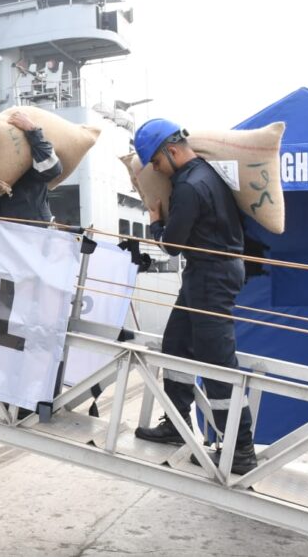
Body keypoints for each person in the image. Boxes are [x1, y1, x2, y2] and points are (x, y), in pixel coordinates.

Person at [132, 118, 257, 474]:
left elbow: (172, 246)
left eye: (157, 162)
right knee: (176, 344)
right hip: (206, 273)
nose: (156, 170)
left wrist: (155, 222)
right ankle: (177, 423)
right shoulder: (208, 173)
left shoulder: (189, 186)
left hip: (211, 277)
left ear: (172, 151)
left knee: (217, 363)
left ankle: (240, 450)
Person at [0, 108, 61, 223]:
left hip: (35, 229)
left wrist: (32, 130)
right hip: (5, 232)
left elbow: (53, 170)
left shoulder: (27, 157)